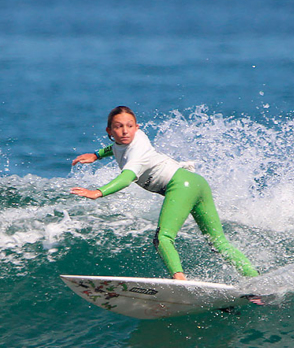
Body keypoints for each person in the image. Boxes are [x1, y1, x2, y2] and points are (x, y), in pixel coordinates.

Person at [70, 106, 258, 281]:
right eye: (119, 127)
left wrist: (98, 192)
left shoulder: (136, 155)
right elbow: (117, 148)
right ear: (109, 131)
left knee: (163, 238)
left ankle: (180, 281)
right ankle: (254, 279)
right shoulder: (133, 138)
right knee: (218, 243)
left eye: (129, 126)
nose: (125, 131)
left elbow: (126, 178)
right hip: (196, 183)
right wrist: (97, 155)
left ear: (137, 127)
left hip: (181, 185)